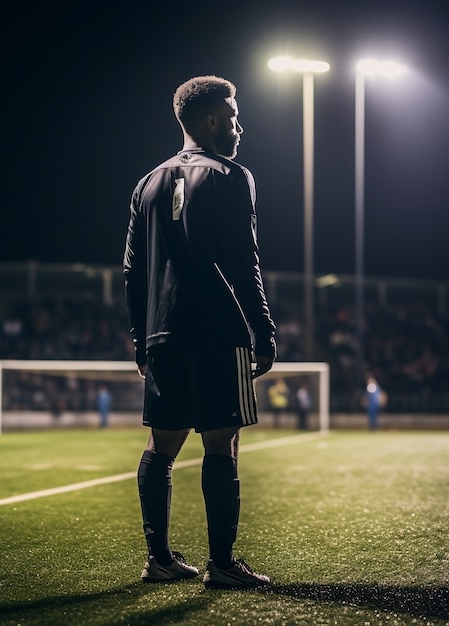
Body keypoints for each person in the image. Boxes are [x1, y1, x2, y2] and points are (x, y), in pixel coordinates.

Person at [123, 75, 276, 589]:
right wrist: (262, 329)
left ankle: (160, 560)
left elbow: (132, 270)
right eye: (233, 117)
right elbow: (243, 261)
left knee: (160, 447)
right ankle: (223, 565)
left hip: (162, 333)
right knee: (221, 444)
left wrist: (141, 337)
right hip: (216, 330)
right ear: (211, 120)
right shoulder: (233, 176)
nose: (239, 126)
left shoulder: (146, 184)